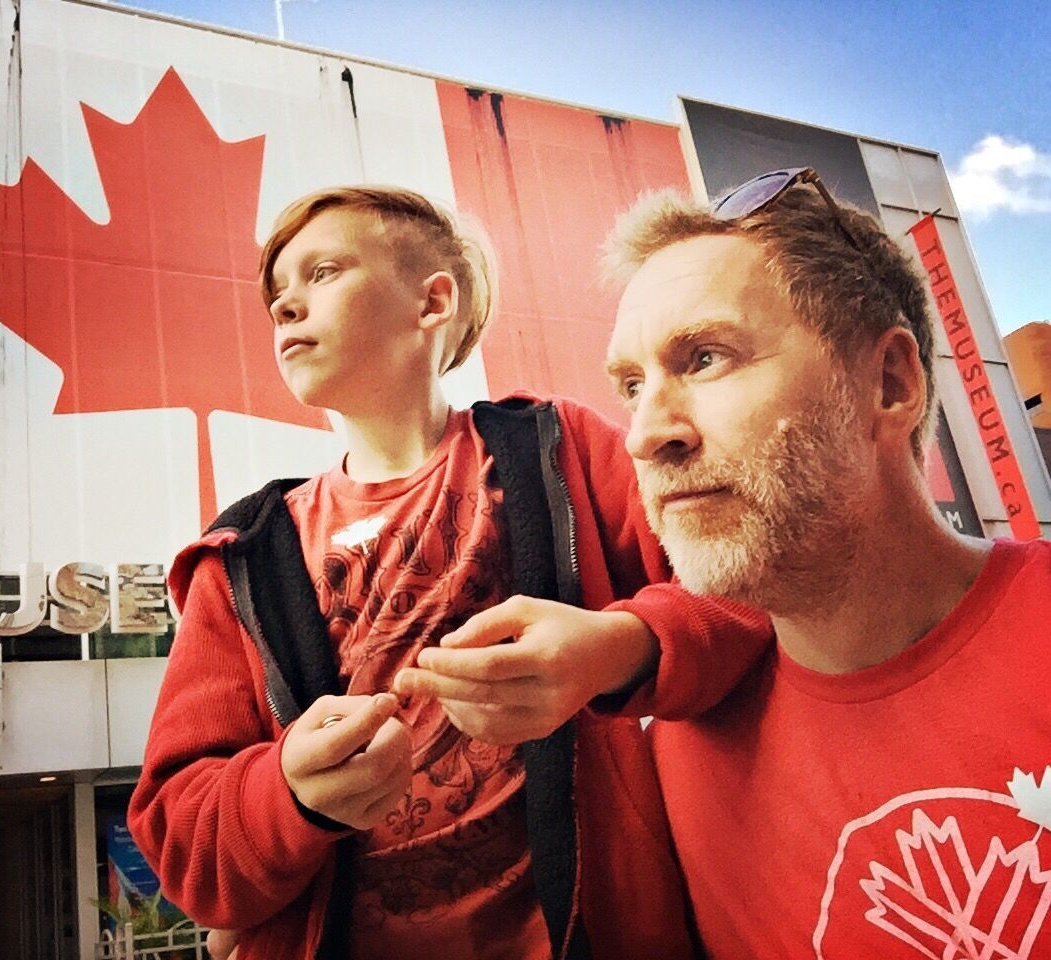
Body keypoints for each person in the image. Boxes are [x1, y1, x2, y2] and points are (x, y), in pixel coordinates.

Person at [405, 169, 1051, 958]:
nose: (646, 434)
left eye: (706, 358)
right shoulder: (672, 761)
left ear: (890, 382)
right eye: (633, 385)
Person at [127, 185, 770, 960]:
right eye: (277, 297)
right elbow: (181, 844)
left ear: (433, 302)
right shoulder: (241, 559)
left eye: (322, 273)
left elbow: (744, 592)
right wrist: (287, 793)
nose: (285, 308)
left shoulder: (558, 448)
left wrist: (617, 647)